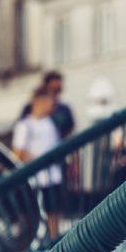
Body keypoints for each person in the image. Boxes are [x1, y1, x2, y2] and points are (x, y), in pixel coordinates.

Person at [13, 88, 62, 238]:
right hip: (34, 179)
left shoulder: (51, 124)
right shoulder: (25, 125)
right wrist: (39, 158)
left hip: (53, 176)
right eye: (49, 102)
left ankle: (53, 239)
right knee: (30, 213)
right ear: (39, 102)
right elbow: (17, 152)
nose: (52, 106)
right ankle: (28, 239)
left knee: (54, 210)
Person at [21, 70, 75, 140]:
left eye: (58, 89)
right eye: (53, 89)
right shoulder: (29, 108)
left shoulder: (65, 109)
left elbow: (70, 132)